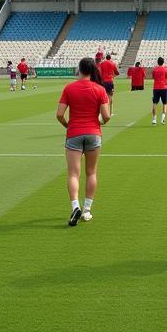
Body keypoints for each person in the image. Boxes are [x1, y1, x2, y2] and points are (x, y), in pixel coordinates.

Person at [56, 57, 111, 225]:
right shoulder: (100, 89)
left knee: (73, 173)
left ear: (79, 69)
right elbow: (107, 116)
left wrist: (68, 125)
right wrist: (98, 123)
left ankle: (75, 206)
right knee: (91, 173)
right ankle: (87, 210)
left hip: (74, 133)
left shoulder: (69, 88)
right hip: (94, 133)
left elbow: (59, 114)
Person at [151, 56, 167, 124]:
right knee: (164, 103)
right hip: (164, 88)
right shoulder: (166, 70)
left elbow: (153, 77)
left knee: (154, 103)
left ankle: (154, 119)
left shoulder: (154, 70)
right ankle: (163, 119)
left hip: (156, 88)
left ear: (157, 62)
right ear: (163, 62)